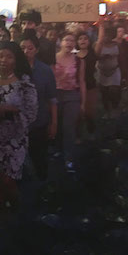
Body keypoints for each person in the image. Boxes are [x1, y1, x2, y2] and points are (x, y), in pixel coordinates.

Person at [0, 41, 37, 227]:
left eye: (9, 56)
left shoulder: (23, 83)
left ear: (16, 60)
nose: (4, 60)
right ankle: (0, 212)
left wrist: (10, 110)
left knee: (8, 179)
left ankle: (16, 206)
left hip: (15, 140)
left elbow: (31, 113)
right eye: (0, 56)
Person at [20, 31, 58, 182]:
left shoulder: (45, 70)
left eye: (30, 48)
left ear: (36, 50)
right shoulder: (12, 70)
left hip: (39, 122)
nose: (26, 52)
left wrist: (54, 122)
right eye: (22, 47)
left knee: (40, 158)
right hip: (17, 124)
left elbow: (52, 98)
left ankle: (43, 186)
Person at [54, 32, 86, 170]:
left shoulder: (79, 61)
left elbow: (82, 81)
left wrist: (83, 103)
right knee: (57, 124)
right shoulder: (53, 59)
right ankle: (57, 149)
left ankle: (69, 157)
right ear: (60, 42)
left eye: (72, 40)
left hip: (72, 96)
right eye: (66, 39)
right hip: (55, 95)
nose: (69, 43)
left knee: (69, 127)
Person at [76, 31, 97, 136]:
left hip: (90, 86)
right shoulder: (73, 55)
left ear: (89, 41)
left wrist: (101, 24)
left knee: (89, 112)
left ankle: (91, 132)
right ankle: (78, 134)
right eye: (80, 38)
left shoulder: (93, 52)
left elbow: (100, 41)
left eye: (85, 38)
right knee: (77, 113)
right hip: (76, 88)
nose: (83, 40)